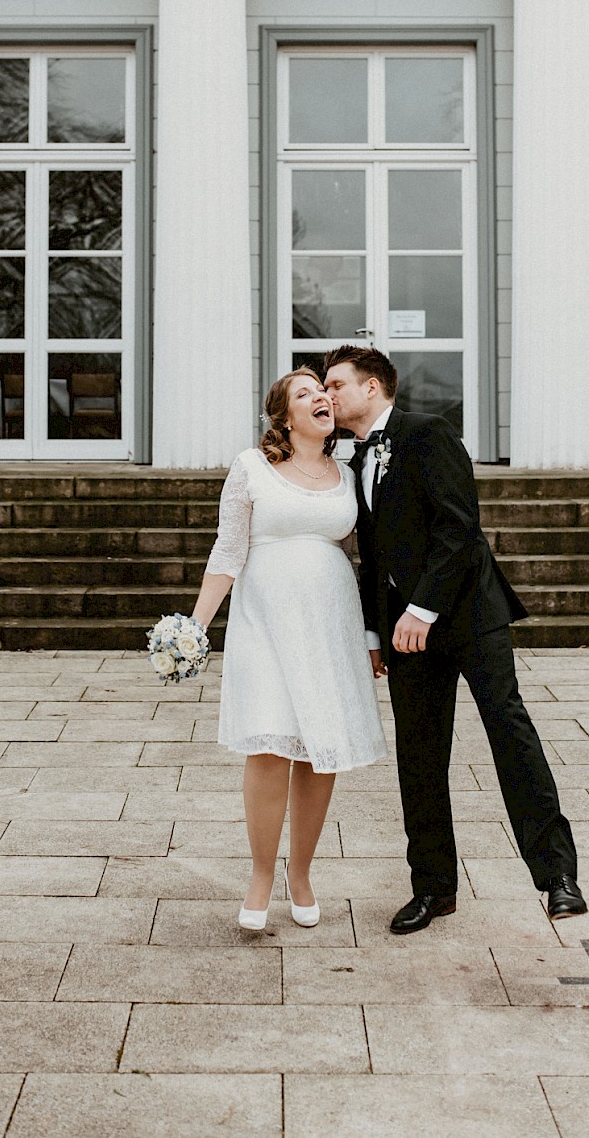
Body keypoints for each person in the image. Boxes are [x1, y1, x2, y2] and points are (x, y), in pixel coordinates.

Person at [323, 345, 586, 933]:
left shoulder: (428, 433)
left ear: (373, 388)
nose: (328, 394)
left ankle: (557, 877)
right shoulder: (351, 457)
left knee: (509, 732)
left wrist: (422, 609)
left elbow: (459, 528)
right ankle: (434, 888)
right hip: (402, 631)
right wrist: (375, 629)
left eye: (337, 384)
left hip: (467, 614)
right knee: (419, 757)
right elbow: (371, 556)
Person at [192, 368, 387, 932]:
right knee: (271, 745)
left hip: (330, 624)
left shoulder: (350, 474)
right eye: (305, 393)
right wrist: (195, 628)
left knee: (318, 747)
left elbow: (369, 558)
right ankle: (259, 877)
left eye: (322, 390)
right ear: (284, 416)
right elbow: (228, 550)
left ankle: (300, 873)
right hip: (265, 621)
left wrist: (375, 633)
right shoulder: (251, 468)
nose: (321, 397)